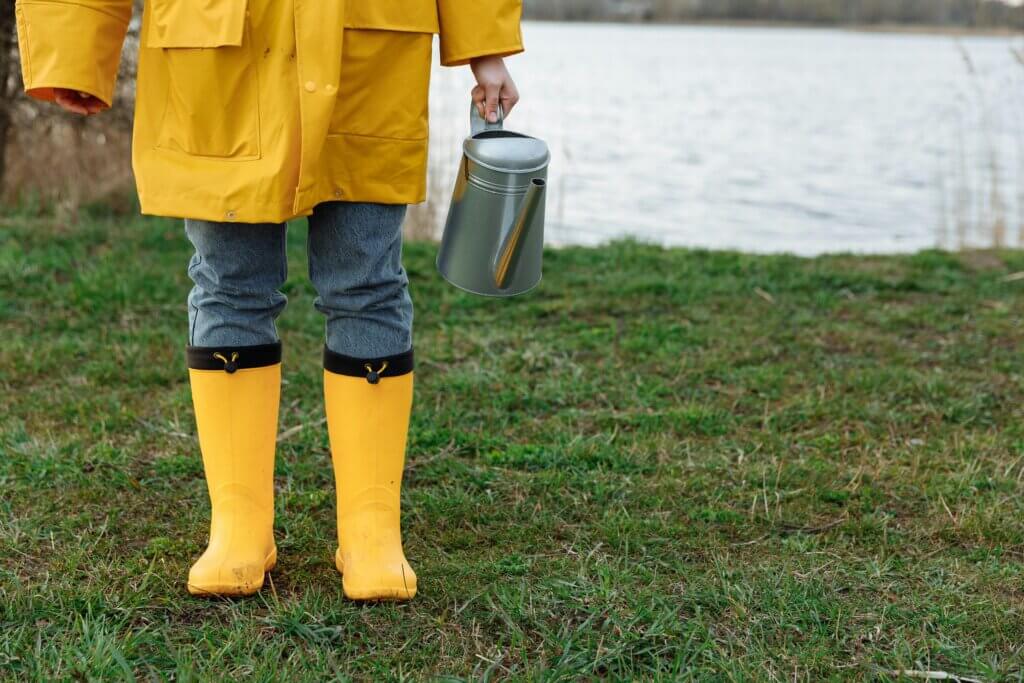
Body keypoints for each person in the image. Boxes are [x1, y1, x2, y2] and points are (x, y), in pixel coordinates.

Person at [14, 0, 523, 601]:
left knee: (368, 282)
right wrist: (75, 47)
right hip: (218, 50)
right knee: (229, 283)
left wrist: (486, 45)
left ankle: (371, 530)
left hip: (369, 46)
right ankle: (238, 528)